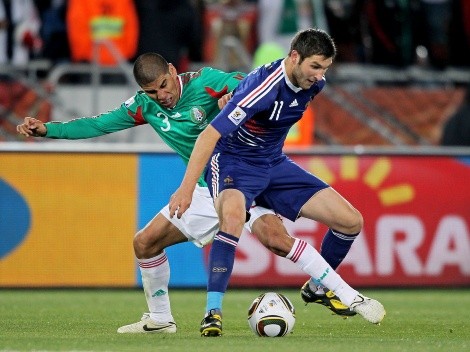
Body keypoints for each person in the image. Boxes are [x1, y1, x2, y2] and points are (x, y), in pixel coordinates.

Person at [17, 52, 376, 336]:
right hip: (206, 188)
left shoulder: (205, 82)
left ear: (173, 71)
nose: (162, 95)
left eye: (163, 85)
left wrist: (232, 97)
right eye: (152, 92)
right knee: (145, 243)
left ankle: (323, 287)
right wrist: (48, 129)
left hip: (239, 173)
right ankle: (160, 319)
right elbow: (97, 123)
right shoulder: (144, 107)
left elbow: (246, 84)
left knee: (277, 240)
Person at [169, 29, 386, 336]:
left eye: (325, 68)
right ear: (294, 57)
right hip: (235, 162)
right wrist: (187, 188)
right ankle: (212, 312)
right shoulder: (262, 88)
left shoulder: (315, 85)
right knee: (232, 220)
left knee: (351, 222)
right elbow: (210, 135)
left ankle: (318, 288)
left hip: (273, 163)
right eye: (315, 66)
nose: (320, 75)